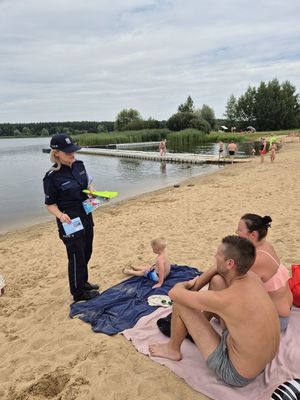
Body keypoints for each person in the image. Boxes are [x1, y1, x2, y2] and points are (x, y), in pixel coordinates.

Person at [149, 236, 280, 387]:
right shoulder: (252, 278)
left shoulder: (225, 299)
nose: (214, 257)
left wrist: (187, 283)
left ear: (230, 263)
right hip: (260, 361)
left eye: (218, 255)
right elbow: (217, 270)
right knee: (217, 281)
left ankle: (172, 350)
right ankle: (197, 329)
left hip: (237, 374)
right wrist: (210, 274)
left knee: (181, 304)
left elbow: (174, 294)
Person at [43, 133, 100, 302]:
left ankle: (83, 282)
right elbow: (49, 204)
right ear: (56, 153)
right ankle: (78, 293)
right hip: (70, 221)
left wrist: (92, 192)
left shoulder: (80, 166)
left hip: (86, 214)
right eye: (68, 152)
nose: (72, 154)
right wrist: (60, 216)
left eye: (73, 150)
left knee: (87, 251)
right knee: (76, 256)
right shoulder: (52, 177)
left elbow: (88, 183)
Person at [236, 214, 293, 331]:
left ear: (253, 235)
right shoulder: (266, 246)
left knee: (218, 284)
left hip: (276, 321)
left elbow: (234, 286)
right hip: (283, 309)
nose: (236, 231)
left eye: (240, 229)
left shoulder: (257, 260)